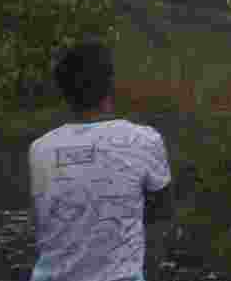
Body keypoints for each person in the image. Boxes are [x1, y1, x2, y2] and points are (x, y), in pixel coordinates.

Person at [28, 37, 175, 281]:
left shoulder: (39, 149)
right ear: (110, 85)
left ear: (63, 91)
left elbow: (45, 218)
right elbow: (162, 213)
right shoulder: (145, 140)